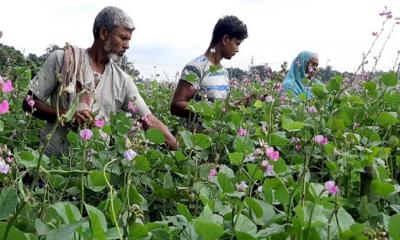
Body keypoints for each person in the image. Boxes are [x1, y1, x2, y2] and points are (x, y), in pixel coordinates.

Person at [22, 6, 178, 158]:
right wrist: (66, 115)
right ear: (104, 33)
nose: (127, 45)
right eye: (123, 38)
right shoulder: (63, 59)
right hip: (51, 162)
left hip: (93, 168)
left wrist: (179, 151)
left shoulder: (123, 81)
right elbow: (29, 103)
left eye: (129, 40)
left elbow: (148, 120)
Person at [170, 15, 248, 121]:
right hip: (197, 136)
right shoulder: (196, 67)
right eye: (237, 43)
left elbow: (220, 110)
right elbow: (176, 105)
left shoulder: (223, 72)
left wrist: (243, 103)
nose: (238, 49)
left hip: (216, 136)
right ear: (225, 39)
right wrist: (206, 111)